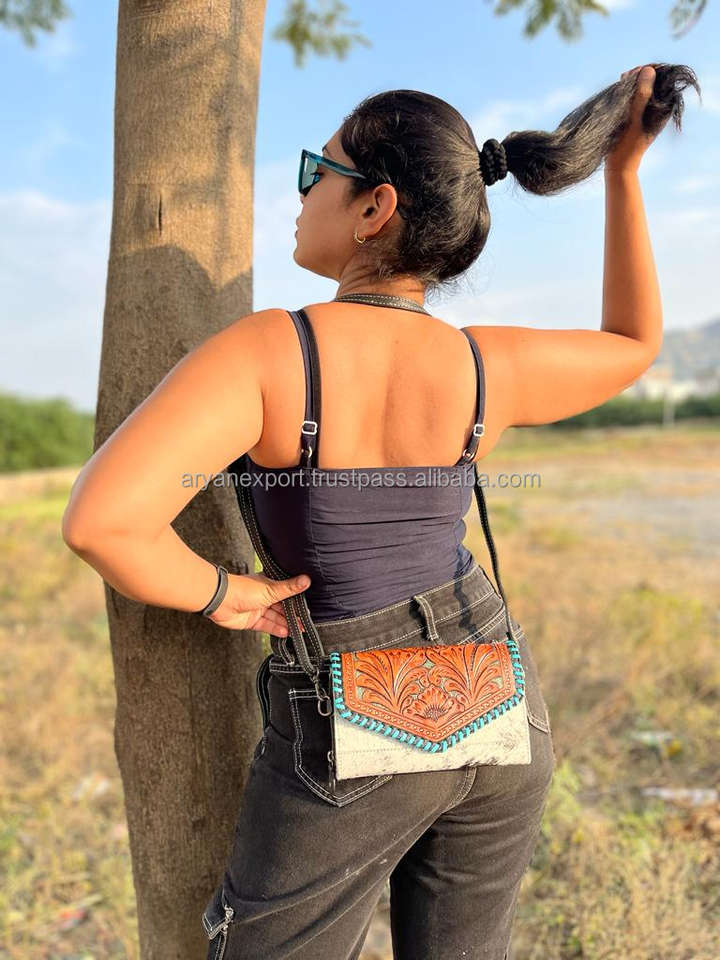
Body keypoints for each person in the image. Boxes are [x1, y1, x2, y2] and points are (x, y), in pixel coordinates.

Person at [62, 63, 698, 960]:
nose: (301, 193)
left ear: (375, 207)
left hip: (355, 716)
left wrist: (227, 595)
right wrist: (623, 175)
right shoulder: (485, 364)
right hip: (495, 703)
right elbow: (631, 343)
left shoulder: (271, 353)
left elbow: (102, 522)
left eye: (314, 170)